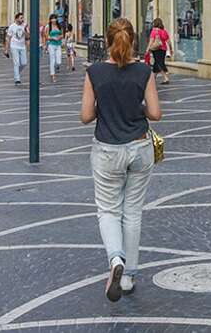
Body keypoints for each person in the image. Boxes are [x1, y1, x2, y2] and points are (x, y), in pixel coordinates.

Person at [82, 17, 162, 302]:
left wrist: (106, 103)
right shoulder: (144, 71)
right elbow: (155, 113)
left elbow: (85, 116)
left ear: (107, 39)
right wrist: (135, 105)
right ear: (132, 40)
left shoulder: (94, 72)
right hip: (139, 148)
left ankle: (115, 259)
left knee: (108, 210)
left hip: (107, 149)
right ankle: (128, 276)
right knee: (133, 212)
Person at [147, 17, 171, 87]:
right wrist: (171, 49)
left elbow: (151, 41)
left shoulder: (154, 31)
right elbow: (168, 41)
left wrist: (148, 49)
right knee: (158, 62)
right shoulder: (164, 31)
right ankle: (153, 77)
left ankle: (166, 77)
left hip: (156, 49)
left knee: (158, 62)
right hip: (163, 49)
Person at [7, 12, 29, 85]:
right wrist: (6, 49)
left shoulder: (24, 26)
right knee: (16, 63)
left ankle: (16, 73)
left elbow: (27, 37)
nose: (22, 19)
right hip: (14, 46)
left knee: (24, 63)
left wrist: (26, 29)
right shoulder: (12, 26)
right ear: (16, 19)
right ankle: (17, 79)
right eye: (21, 18)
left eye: (23, 18)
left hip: (22, 46)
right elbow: (8, 38)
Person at [46, 15, 65, 83]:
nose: (53, 20)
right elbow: (47, 36)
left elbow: (62, 35)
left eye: (55, 19)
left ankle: (56, 67)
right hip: (51, 45)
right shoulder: (48, 27)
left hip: (58, 44)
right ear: (50, 20)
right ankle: (53, 75)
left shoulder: (59, 26)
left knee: (59, 61)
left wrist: (59, 37)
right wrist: (53, 38)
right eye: (52, 19)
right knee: (52, 60)